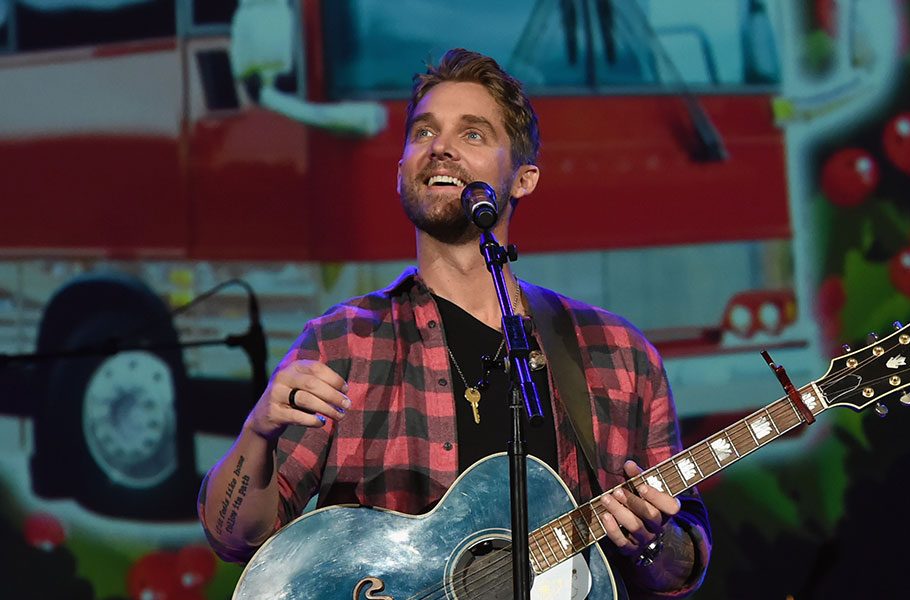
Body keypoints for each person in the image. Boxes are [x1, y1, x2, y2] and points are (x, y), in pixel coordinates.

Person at [198, 48, 711, 598]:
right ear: (400, 175)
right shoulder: (343, 342)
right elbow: (237, 539)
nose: (439, 147)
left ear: (524, 179)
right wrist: (258, 431)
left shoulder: (617, 353)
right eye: (423, 133)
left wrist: (653, 541)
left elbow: (680, 569)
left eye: (472, 134)